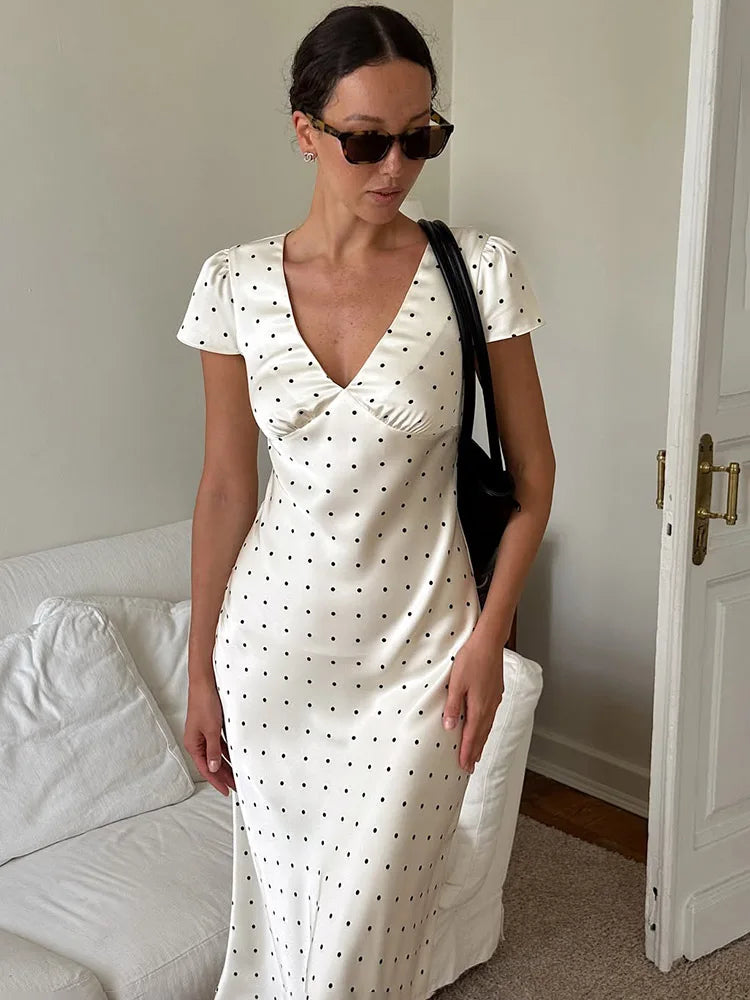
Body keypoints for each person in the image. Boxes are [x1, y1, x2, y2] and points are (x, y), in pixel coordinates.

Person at [177, 5, 555, 997]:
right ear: (305, 131)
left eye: (420, 138)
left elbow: (535, 479)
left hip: (423, 665)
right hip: (272, 660)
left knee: (362, 958)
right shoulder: (234, 284)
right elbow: (226, 488)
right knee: (291, 942)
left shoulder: (480, 270)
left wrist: (490, 639)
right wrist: (200, 672)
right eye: (366, 140)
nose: (395, 167)